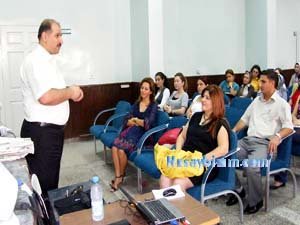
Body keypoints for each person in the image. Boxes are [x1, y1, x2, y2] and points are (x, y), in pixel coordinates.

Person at [20, 19, 84, 196]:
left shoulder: (47, 61)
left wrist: (70, 91)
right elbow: (46, 97)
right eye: (57, 35)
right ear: (44, 36)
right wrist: (70, 92)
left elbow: (53, 91)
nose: (61, 40)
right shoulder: (36, 60)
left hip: (49, 133)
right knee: (45, 186)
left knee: (49, 181)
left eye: (61, 35)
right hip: (43, 135)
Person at [226, 69, 293, 214]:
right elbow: (244, 119)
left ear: (272, 83)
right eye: (260, 81)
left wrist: (277, 136)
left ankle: (255, 201)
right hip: (247, 141)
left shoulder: (282, 104)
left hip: (264, 144)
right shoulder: (256, 101)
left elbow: (289, 127)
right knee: (225, 156)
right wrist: (233, 132)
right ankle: (238, 189)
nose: (260, 84)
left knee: (252, 166)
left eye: (263, 82)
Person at [160, 85, 230, 191]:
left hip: (202, 164)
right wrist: (178, 152)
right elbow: (182, 136)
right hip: (185, 159)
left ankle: (178, 208)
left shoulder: (220, 123)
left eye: (207, 98)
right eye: (203, 97)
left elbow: (223, 149)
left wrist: (201, 160)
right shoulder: (196, 116)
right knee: (165, 177)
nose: (202, 100)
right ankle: (165, 207)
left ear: (215, 102)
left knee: (178, 183)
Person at [110, 77, 158, 191]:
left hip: (143, 135)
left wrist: (135, 120)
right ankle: (118, 176)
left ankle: (119, 177)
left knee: (121, 150)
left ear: (151, 91)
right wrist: (134, 121)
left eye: (146, 89)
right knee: (114, 147)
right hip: (131, 131)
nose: (143, 91)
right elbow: (127, 119)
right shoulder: (137, 103)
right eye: (142, 88)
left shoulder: (153, 106)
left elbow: (148, 124)